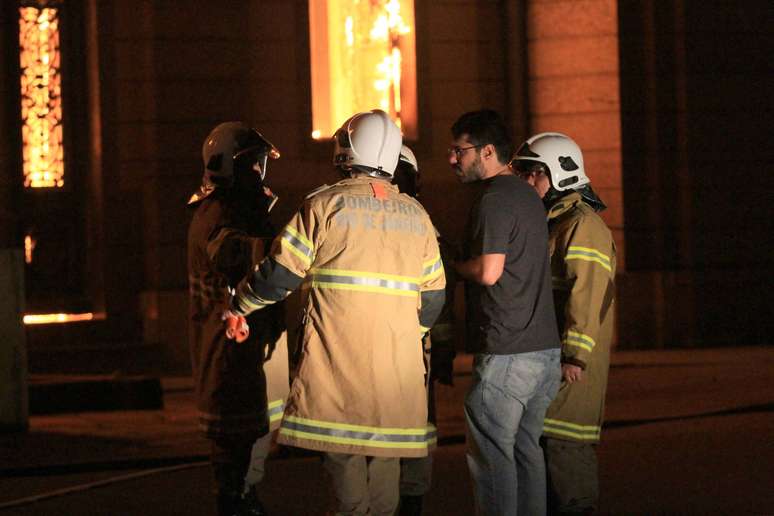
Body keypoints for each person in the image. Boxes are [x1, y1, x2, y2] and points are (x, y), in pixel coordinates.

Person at [225, 109, 446, 516]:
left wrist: (240, 305)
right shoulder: (418, 218)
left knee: (346, 473)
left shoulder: (324, 206)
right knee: (385, 474)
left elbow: (279, 275)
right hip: (396, 373)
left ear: (346, 150)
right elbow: (433, 299)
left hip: (339, 365)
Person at [449, 109, 561, 516]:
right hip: (543, 350)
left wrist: (453, 267)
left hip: (507, 352)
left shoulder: (494, 199)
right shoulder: (528, 196)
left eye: (459, 151)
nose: (452, 160)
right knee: (527, 451)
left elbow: (489, 271)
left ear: (488, 151)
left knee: (492, 455)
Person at [187, 121, 288, 516]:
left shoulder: (233, 208)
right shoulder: (221, 213)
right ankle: (235, 501)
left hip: (239, 342)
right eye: (256, 165)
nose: (262, 173)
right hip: (229, 344)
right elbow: (238, 257)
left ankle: (242, 495)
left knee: (246, 433)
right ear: (238, 166)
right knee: (232, 439)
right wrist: (299, 246)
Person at [512, 133, 616, 515]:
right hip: (549, 364)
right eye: (522, 172)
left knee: (566, 462)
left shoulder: (581, 226)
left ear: (560, 174)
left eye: (533, 173)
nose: (526, 181)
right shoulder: (554, 221)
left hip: (570, 371)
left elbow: (585, 293)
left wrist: (575, 354)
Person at [393, 145, 457, 516]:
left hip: (401, 340)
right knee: (415, 424)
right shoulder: (421, 221)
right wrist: (444, 349)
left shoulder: (385, 218)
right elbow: (441, 297)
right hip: (417, 343)